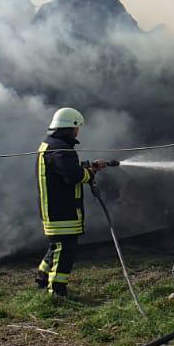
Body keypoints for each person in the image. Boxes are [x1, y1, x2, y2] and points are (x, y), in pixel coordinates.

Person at [35, 107, 111, 298]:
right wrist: (90, 172)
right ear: (72, 127)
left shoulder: (51, 145)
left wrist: (88, 167)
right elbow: (73, 176)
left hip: (54, 208)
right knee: (66, 249)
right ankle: (57, 292)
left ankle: (42, 277)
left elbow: (66, 171)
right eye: (78, 128)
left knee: (57, 246)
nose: (79, 132)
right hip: (62, 210)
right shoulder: (60, 149)